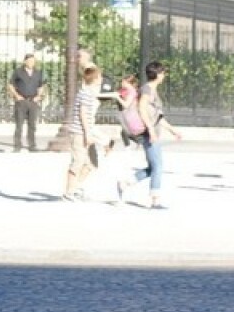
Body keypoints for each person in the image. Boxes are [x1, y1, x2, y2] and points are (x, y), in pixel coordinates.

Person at [117, 61, 182, 209]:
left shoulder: (151, 89)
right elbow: (142, 108)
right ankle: (155, 199)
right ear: (158, 74)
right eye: (163, 72)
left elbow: (157, 116)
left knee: (154, 166)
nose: (164, 75)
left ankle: (126, 183)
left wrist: (172, 130)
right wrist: (151, 130)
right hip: (148, 133)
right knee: (158, 166)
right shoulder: (147, 89)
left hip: (152, 131)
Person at [64, 65, 102, 201]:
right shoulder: (86, 93)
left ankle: (76, 187)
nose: (101, 79)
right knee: (78, 161)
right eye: (100, 76)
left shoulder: (89, 93)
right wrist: (87, 133)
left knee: (90, 163)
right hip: (79, 132)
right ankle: (69, 192)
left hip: (84, 131)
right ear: (96, 78)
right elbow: (83, 114)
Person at [9, 53, 45, 152]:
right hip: (21, 101)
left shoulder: (38, 73)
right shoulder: (18, 72)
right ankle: (17, 146)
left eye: (33, 61)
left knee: (32, 125)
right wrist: (16, 96)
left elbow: (41, 86)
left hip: (33, 101)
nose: (31, 63)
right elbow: (11, 85)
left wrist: (38, 96)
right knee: (19, 125)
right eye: (29, 61)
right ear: (25, 61)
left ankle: (32, 146)